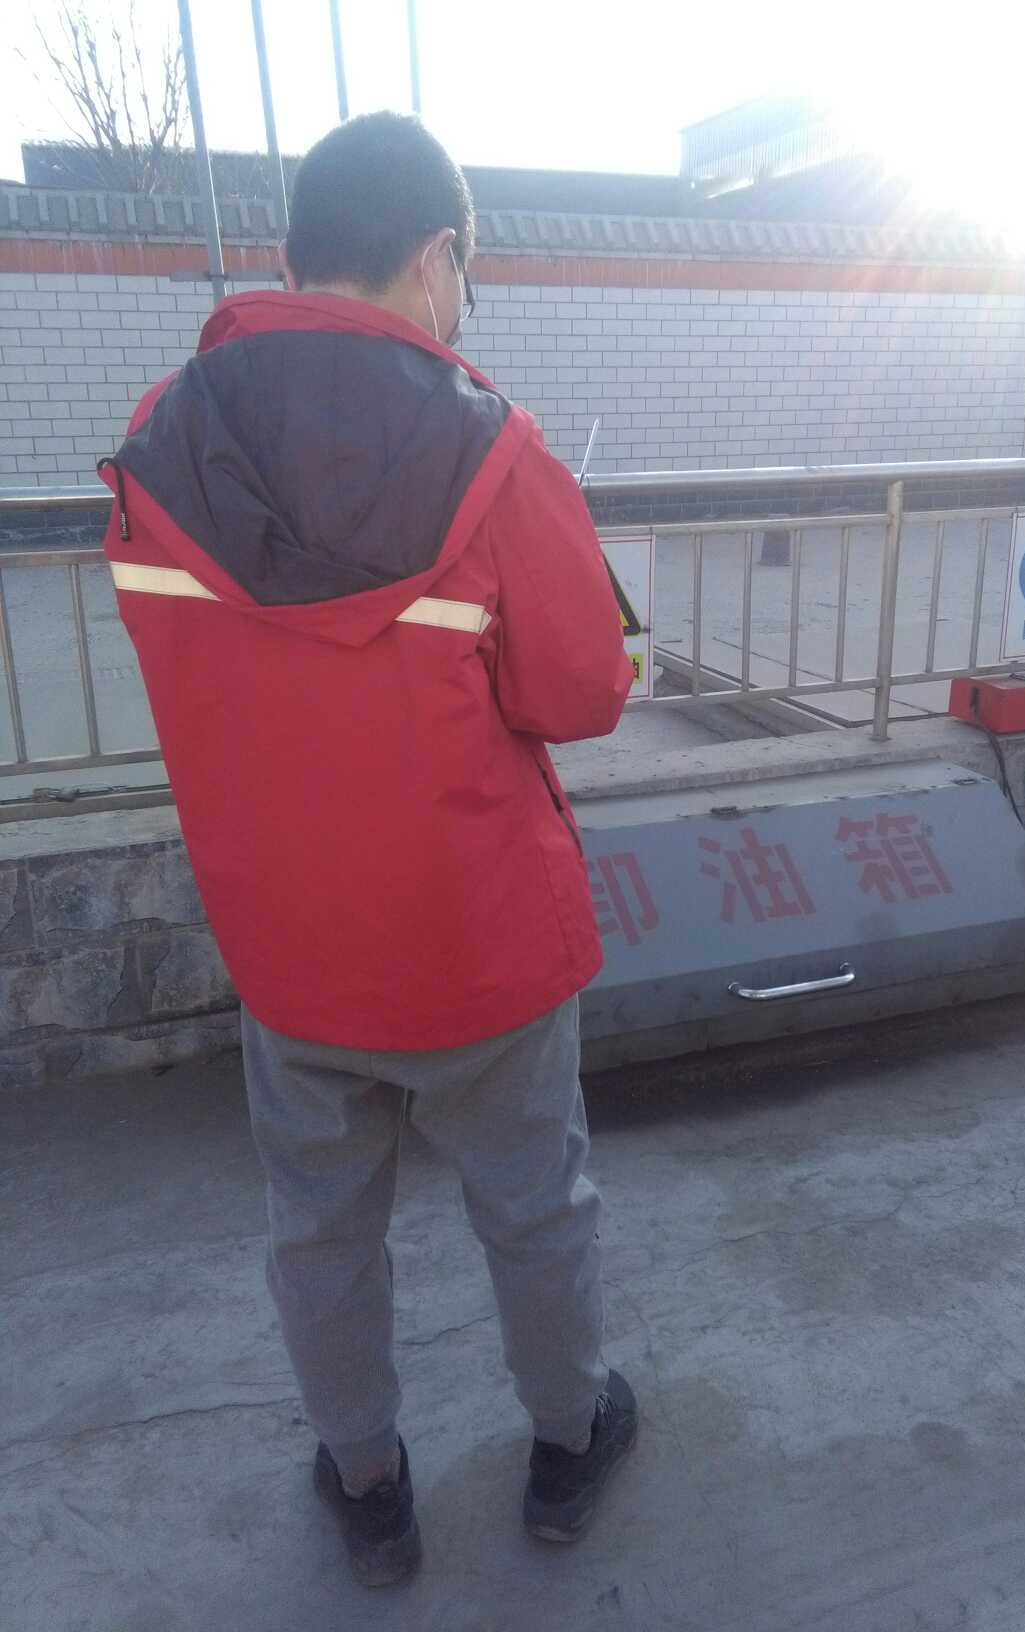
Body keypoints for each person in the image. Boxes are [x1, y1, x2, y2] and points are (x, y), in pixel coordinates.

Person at [98, 111, 637, 1589]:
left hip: (289, 947)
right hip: (480, 945)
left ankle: (368, 1488)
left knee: (321, 1232)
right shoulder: (494, 451)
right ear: (436, 255)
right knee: (533, 1210)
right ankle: (567, 1445)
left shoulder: (164, 442)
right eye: (467, 272)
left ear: (293, 254)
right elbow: (583, 693)